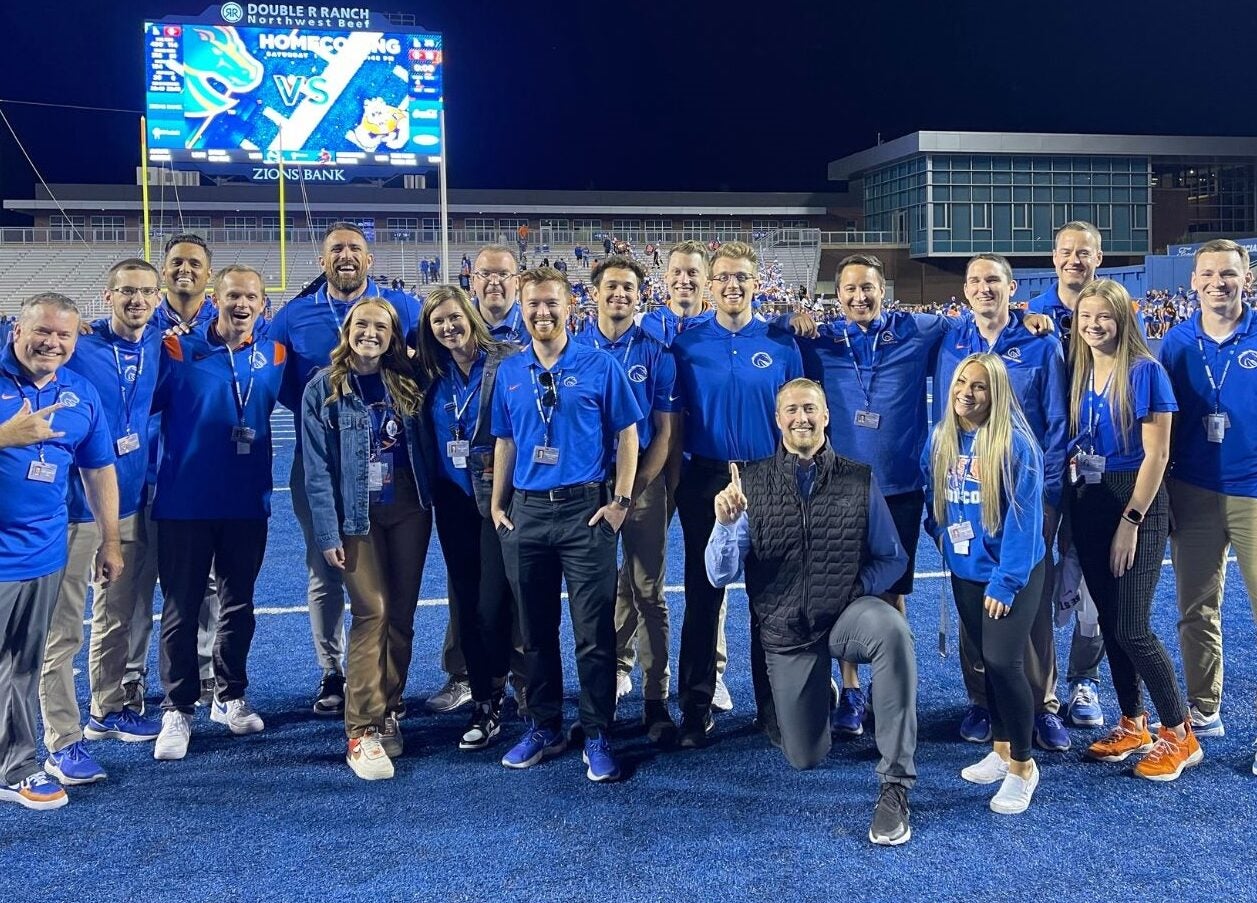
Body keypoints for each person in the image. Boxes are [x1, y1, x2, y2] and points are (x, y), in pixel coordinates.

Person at [705, 378, 915, 845]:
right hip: (786, 631)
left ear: (826, 417)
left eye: (810, 409)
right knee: (805, 755)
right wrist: (724, 525)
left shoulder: (858, 478)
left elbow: (893, 557)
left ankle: (896, 784)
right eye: (792, 410)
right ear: (778, 420)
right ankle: (826, 695)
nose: (802, 418)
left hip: (844, 619)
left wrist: (852, 588)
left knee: (892, 630)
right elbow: (719, 575)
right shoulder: (749, 482)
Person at [490, 266, 642, 782]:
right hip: (527, 512)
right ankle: (544, 725)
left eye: (551, 303)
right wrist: (497, 503)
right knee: (534, 630)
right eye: (532, 304)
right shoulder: (510, 371)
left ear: (569, 306)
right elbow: (505, 441)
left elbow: (627, 435)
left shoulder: (599, 365)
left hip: (586, 511)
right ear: (522, 306)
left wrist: (620, 501)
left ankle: (597, 731)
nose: (542, 312)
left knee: (593, 632)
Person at [268, 222, 421, 717]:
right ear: (322, 259)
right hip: (325, 459)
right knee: (325, 567)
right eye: (337, 249)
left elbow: (428, 362)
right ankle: (333, 672)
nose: (347, 256)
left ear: (370, 259)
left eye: (356, 248)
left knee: (392, 598)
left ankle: (386, 699)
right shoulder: (294, 315)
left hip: (394, 475)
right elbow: (272, 377)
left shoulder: (404, 306)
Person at [796, 254, 953, 734]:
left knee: (891, 591)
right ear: (837, 294)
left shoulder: (918, 330)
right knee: (842, 587)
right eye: (850, 289)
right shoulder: (821, 341)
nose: (859, 297)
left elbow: (972, 326)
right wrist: (790, 317)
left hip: (901, 485)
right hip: (839, 487)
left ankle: (890, 686)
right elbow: (771, 336)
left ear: (882, 289)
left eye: (868, 288)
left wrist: (1034, 315)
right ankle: (851, 690)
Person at [934, 254, 1070, 752]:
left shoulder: (1040, 340)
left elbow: (1056, 424)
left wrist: (1049, 498)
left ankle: (1043, 704)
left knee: (1027, 600)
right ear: (965, 291)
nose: (983, 288)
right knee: (973, 590)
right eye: (974, 281)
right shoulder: (950, 339)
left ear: (1013, 288)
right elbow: (944, 417)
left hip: (1026, 495)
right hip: (964, 490)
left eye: (993, 280)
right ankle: (984, 701)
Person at [1067, 279, 1202, 780]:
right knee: (1108, 621)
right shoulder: (1080, 366)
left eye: (1104, 316)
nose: (1094, 325)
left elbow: (1157, 455)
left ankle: (1180, 734)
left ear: (1124, 319)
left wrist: (1131, 521)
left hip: (1133, 501)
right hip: (1090, 498)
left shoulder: (1146, 372)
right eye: (1086, 317)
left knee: (1132, 626)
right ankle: (1133, 722)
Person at [670, 241, 803, 747]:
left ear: (757, 283)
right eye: (723, 276)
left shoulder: (782, 343)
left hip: (768, 478)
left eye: (742, 277)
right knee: (703, 598)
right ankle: (695, 707)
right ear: (709, 283)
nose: (732, 285)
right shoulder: (686, 345)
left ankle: (772, 708)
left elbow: (799, 420)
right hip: (704, 480)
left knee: (768, 600)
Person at [150, 265, 285, 761]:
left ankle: (229, 695)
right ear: (215, 298)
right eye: (232, 295)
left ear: (263, 304)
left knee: (238, 604)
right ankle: (177, 707)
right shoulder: (177, 350)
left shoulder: (275, 355)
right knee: (182, 608)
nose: (242, 304)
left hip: (247, 503)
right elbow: (137, 405)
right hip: (184, 503)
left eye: (251, 296)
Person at [38, 260, 164, 788]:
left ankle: (109, 708)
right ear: (106, 295)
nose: (136, 300)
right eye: (126, 291)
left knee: (124, 612)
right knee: (61, 630)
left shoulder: (160, 341)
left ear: (157, 300)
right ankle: (61, 740)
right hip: (72, 507)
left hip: (130, 500)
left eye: (145, 292)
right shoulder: (78, 344)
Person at [301, 298, 434, 779]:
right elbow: (316, 471)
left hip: (410, 510)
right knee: (371, 612)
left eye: (382, 326)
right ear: (348, 329)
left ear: (394, 335)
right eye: (363, 324)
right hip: (357, 518)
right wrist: (327, 529)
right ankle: (361, 728)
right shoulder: (323, 388)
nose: (371, 333)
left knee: (400, 614)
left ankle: (389, 708)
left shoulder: (409, 381)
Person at [0, 292, 121, 811]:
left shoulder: (80, 394)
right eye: (41, 331)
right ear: (15, 333)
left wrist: (110, 540)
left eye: (62, 335)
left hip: (43, 553)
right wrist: (6, 435)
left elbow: (98, 471)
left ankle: (17, 766)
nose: (50, 342)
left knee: (22, 666)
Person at [925, 352, 1046, 814]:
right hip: (966, 571)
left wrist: (1006, 581)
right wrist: (941, 535)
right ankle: (999, 750)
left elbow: (1025, 521)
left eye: (978, 386)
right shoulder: (941, 439)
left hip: (1010, 574)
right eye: (960, 383)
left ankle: (1023, 766)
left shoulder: (1017, 446)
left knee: (1003, 661)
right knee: (985, 663)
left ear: (995, 394)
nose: (966, 393)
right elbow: (931, 496)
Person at [1159, 239, 1257, 767]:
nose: (1219, 282)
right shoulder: (1175, 343)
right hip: (1193, 491)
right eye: (1209, 274)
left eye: (1229, 274)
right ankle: (1202, 709)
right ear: (1193, 282)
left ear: (1247, 278)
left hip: (1255, 493)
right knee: (1196, 608)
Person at [415, 285, 524, 751]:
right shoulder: (426, 371)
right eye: (438, 321)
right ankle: (485, 701)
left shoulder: (507, 359)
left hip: (500, 495)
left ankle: (519, 689)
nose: (448, 327)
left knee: (496, 603)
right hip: (451, 498)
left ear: (471, 316)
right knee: (466, 601)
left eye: (454, 317)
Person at [574, 256, 678, 744]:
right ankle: (605, 685)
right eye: (612, 286)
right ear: (593, 293)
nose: (620, 294)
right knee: (593, 595)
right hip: (585, 486)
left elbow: (663, 432)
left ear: (641, 295)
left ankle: (656, 699)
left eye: (629, 288)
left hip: (640, 489)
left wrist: (630, 492)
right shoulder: (573, 348)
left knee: (647, 590)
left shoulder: (656, 352)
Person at [1028, 221, 1109, 729]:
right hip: (1047, 467)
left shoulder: (1117, 313)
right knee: (1039, 577)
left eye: (1084, 252)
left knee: (1093, 579)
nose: (1074, 260)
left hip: (1102, 467)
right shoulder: (1032, 317)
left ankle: (1086, 681)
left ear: (1098, 258)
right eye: (1066, 252)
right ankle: (1045, 688)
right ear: (1053, 257)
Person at [471, 244, 527, 347]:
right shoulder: (456, 325)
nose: (494, 282)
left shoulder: (534, 328)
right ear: (473, 281)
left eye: (503, 274)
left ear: (517, 282)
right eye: (485, 274)